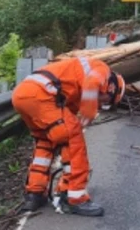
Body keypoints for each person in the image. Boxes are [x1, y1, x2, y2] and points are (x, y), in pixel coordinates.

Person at [11, 55, 126, 217]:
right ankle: (75, 197)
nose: (102, 104)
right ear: (112, 89)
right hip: (42, 95)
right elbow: (92, 83)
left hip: (22, 95)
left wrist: (76, 118)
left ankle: (34, 194)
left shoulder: (74, 86)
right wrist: (89, 112)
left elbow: (68, 112)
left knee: (45, 142)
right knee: (73, 140)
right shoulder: (103, 70)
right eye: (106, 101)